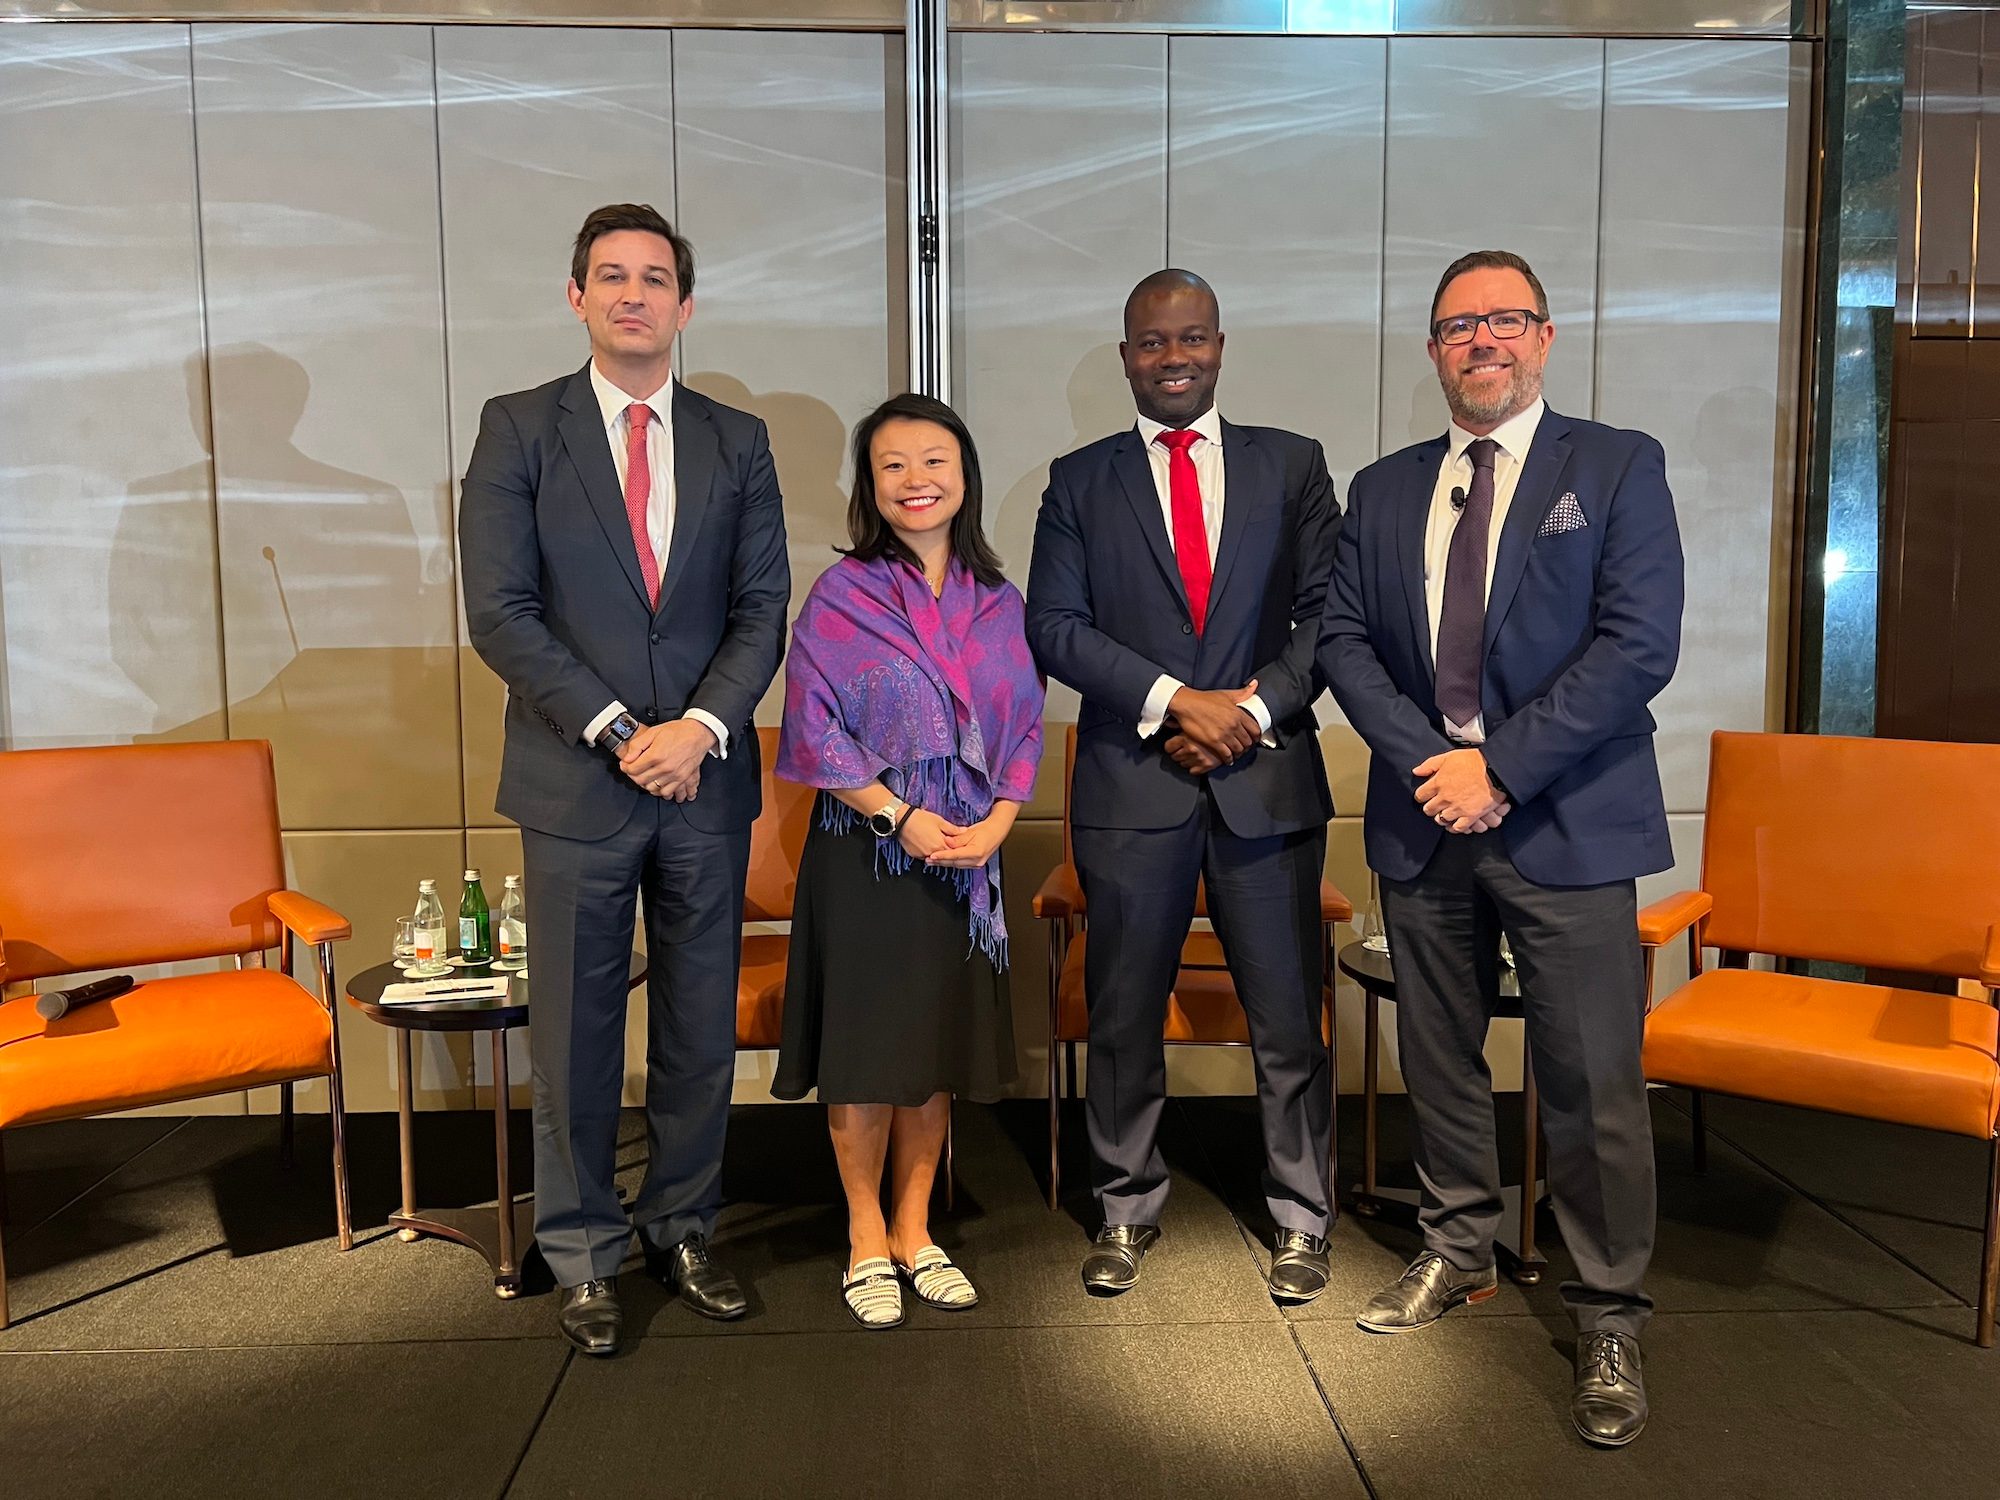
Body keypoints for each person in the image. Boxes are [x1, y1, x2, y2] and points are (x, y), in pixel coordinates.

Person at [1317, 249, 1684, 1447]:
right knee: (1438, 1060)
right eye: (1456, 326)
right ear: (1431, 350)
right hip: (1423, 820)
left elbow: (1635, 646)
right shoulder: (1379, 490)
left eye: (1503, 320)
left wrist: (1500, 767)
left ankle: (1607, 1311)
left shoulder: (1616, 466)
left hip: (1566, 819)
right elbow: (1341, 641)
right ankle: (1454, 1250)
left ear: (1544, 335)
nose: (1481, 341)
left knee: (1590, 1084)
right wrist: (1435, 763)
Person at [460, 203, 790, 1356]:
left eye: (656, 278)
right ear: (577, 297)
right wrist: (615, 728)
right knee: (576, 1032)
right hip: (573, 783)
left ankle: (683, 1225)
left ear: (685, 306)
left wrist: (697, 726)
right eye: (612, 276)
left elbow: (761, 610)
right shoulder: (516, 429)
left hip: (704, 779)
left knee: (699, 1027)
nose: (634, 295)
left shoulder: (735, 440)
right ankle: (585, 1250)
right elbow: (498, 614)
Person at [1024, 270, 1342, 1302]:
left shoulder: (1289, 466)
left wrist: (1246, 711)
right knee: (1121, 1014)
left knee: (1287, 1014)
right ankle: (1123, 1206)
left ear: (1219, 345)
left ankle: (1299, 1215)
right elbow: (1054, 628)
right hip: (1134, 783)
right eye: (1152, 343)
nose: (1173, 358)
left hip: (1266, 776)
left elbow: (1324, 619)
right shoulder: (1077, 482)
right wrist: (1176, 700)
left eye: (1190, 338)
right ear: (1126, 357)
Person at [774, 393, 1044, 1329]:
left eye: (934, 460)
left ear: (964, 475)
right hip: (869, 854)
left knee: (930, 1053)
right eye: (893, 465)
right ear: (870, 487)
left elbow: (1022, 726)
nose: (915, 480)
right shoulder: (842, 595)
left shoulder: (998, 600)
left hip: (968, 859)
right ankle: (861, 1235)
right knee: (865, 1054)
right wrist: (897, 816)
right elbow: (812, 728)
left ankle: (916, 1231)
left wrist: (1003, 820)